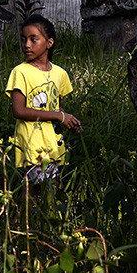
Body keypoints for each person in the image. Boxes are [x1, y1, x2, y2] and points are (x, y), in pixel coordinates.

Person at [5, 15, 82, 184]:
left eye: (34, 40)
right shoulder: (21, 72)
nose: (27, 45)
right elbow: (19, 111)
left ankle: (20, 211)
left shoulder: (59, 74)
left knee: (42, 192)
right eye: (24, 39)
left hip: (52, 141)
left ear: (49, 43)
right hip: (32, 143)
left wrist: (68, 119)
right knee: (48, 189)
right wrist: (57, 116)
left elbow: (55, 107)